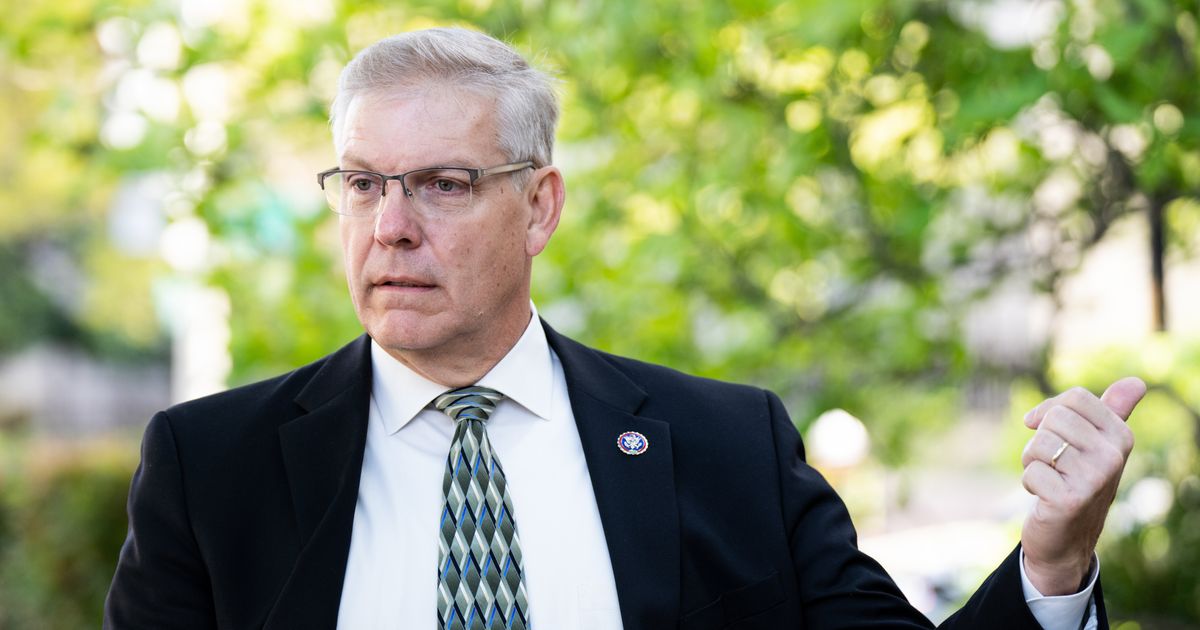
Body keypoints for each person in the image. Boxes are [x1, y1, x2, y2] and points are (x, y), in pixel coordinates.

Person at [104, 28, 1144, 630]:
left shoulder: (726, 448)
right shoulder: (214, 467)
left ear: (541, 206)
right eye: (365, 183)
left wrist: (1051, 566)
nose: (392, 227)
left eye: (445, 184)